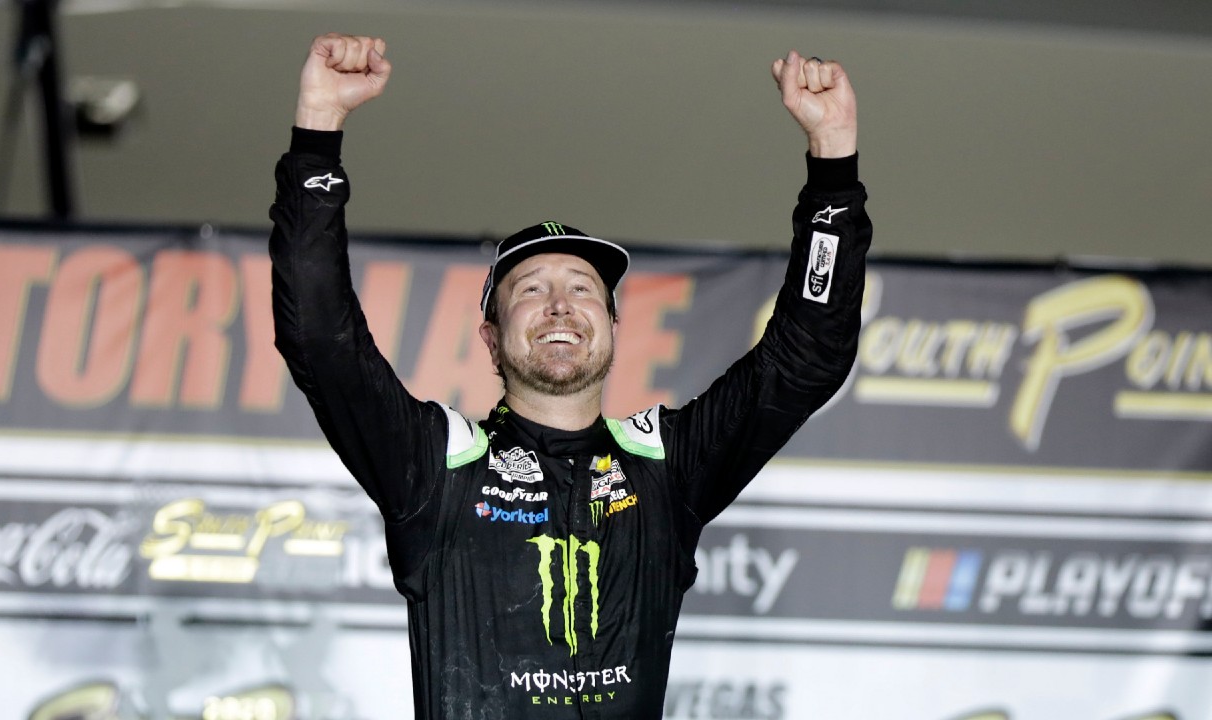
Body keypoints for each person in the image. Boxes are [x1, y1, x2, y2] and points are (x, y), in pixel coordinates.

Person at [270, 32, 869, 720]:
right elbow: (319, 336)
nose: (559, 304)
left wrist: (833, 163)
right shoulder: (436, 467)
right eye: (531, 289)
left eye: (582, 288)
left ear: (613, 326)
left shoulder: (668, 466)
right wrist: (318, 133)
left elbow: (808, 354)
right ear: (491, 337)